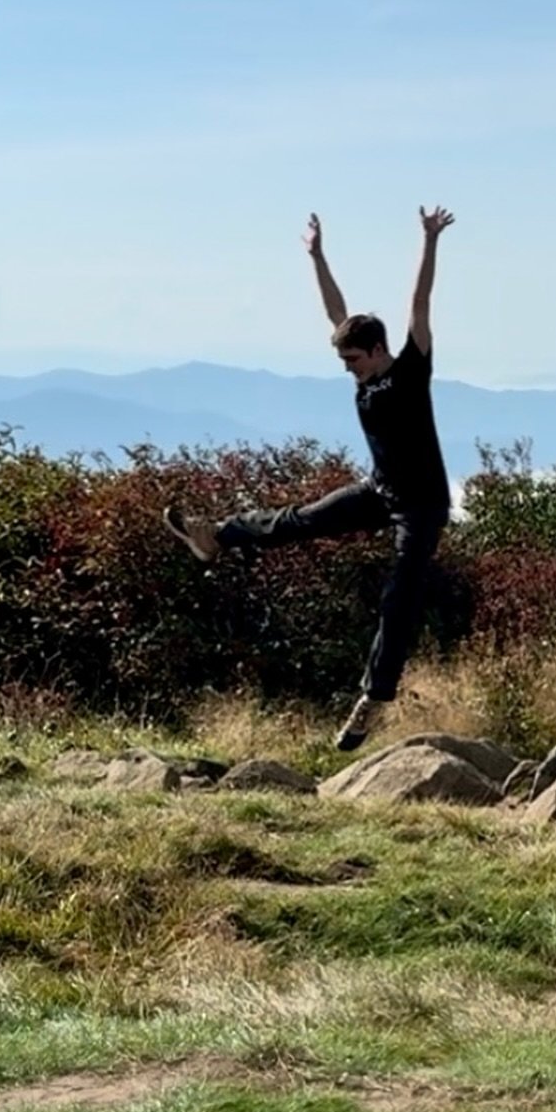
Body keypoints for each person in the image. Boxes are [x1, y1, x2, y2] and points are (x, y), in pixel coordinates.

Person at [164, 206, 455, 750]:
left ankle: (374, 699)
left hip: (421, 506)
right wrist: (318, 257)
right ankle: (214, 536)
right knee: (299, 520)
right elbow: (336, 312)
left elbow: (420, 302)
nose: (348, 369)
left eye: (353, 361)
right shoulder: (359, 353)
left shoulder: (412, 369)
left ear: (376, 350)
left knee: (400, 596)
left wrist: (429, 239)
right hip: (380, 491)